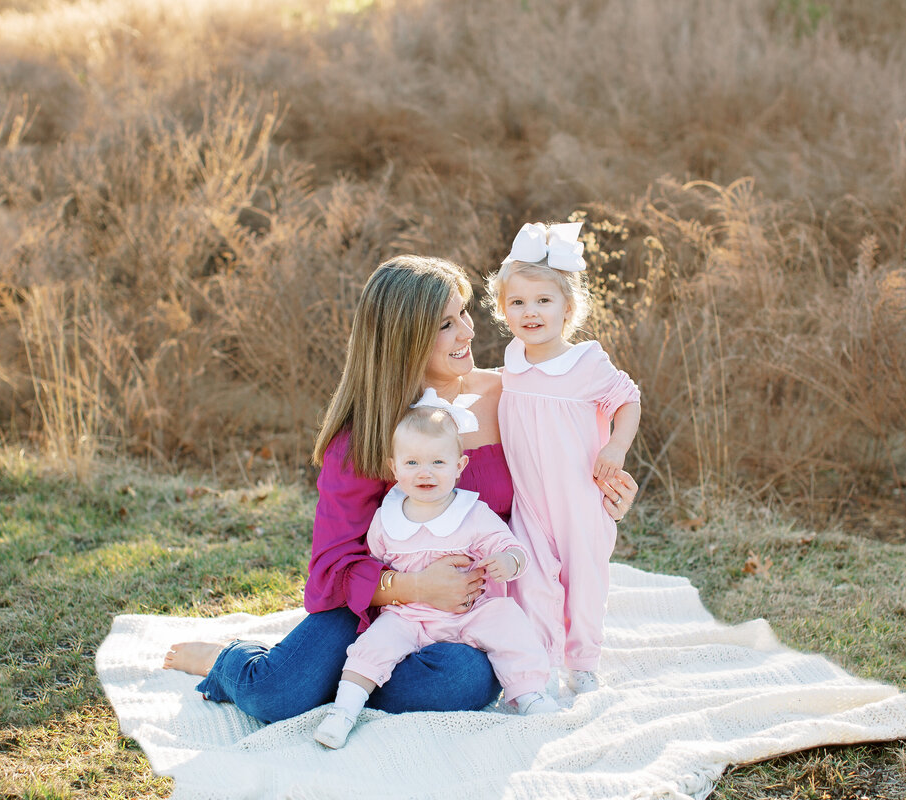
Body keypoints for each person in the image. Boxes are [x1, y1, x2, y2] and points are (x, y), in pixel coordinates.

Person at [163, 254, 637, 724]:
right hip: (377, 607)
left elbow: (560, 478)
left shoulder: (511, 395)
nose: (469, 332)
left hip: (468, 612)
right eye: (445, 325)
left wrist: (602, 492)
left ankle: (350, 679)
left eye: (465, 313)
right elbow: (329, 573)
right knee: (277, 695)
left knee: (459, 680)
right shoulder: (362, 436)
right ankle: (232, 661)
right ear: (404, 340)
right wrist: (415, 587)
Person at [314, 404, 558, 749]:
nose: (424, 472)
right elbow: (377, 563)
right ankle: (343, 711)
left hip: (470, 612)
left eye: (437, 463)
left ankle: (528, 693)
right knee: (372, 646)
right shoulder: (386, 520)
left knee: (508, 621)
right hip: (408, 615)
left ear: (459, 467)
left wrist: (509, 560)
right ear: (393, 467)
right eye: (412, 463)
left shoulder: (472, 513)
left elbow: (510, 545)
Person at [487, 222, 642, 695]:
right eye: (517, 302)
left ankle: (583, 662)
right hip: (531, 503)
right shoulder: (511, 365)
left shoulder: (586, 364)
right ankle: (542, 665)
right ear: (503, 310)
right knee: (530, 582)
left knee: (585, 580)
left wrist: (615, 447)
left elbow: (628, 400)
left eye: (543, 301)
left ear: (567, 308)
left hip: (579, 497)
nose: (530, 312)